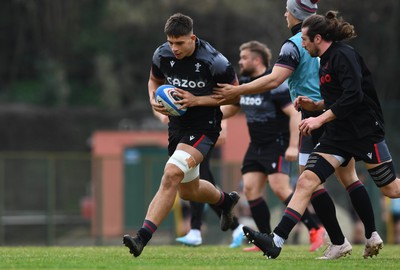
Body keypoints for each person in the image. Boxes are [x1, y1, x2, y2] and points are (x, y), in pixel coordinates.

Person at [214, 0, 381, 259]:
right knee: (340, 179)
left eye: (287, 10)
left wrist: (237, 90)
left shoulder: (295, 44)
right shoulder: (326, 46)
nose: (284, 14)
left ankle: (332, 239)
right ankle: (362, 236)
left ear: (295, 15)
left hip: (320, 120)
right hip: (324, 115)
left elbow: (275, 79)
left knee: (311, 182)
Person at [123, 13, 241, 257]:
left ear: (193, 38)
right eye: (170, 42)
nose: (174, 48)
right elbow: (153, 81)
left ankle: (141, 238)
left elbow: (236, 97)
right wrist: (154, 100)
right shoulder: (161, 54)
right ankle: (225, 201)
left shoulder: (215, 62)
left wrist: (198, 100)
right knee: (188, 190)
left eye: (180, 42)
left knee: (171, 174)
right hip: (177, 128)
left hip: (205, 128)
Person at [221, 40, 325, 252]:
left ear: (257, 60)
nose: (240, 62)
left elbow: (295, 114)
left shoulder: (274, 84)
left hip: (277, 144)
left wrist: (293, 146)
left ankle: (315, 228)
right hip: (256, 145)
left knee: (280, 189)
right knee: (250, 189)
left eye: (244, 58)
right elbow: (232, 108)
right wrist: (215, 120)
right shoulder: (244, 83)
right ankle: (264, 238)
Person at [155, 112, 245, 248]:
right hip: (186, 133)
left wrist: (223, 126)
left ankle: (196, 229)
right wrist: (162, 114)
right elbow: (156, 99)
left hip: (201, 135)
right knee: (205, 185)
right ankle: (236, 227)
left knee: (198, 182)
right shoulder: (174, 92)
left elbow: (221, 105)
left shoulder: (205, 97)